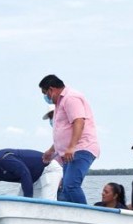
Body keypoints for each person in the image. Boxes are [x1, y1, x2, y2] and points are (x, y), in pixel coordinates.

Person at [39, 74, 100, 204]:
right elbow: (63, 131)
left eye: (45, 93)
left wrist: (72, 147)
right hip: (69, 153)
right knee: (65, 189)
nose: (46, 97)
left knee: (71, 186)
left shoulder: (71, 97)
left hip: (81, 148)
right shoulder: (59, 104)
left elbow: (79, 121)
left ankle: (86, 216)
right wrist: (51, 150)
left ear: (51, 89)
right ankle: (71, 217)